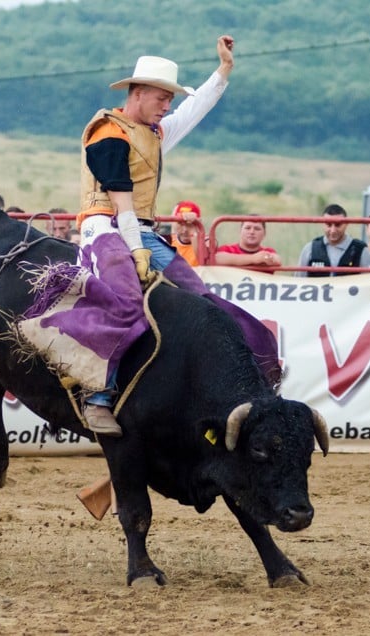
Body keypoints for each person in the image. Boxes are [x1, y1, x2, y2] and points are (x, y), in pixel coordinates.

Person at [24, 35, 279, 437]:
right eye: (162, 99)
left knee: (201, 301)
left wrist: (224, 71)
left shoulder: (154, 132)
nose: (168, 106)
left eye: (169, 100)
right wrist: (139, 250)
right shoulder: (107, 132)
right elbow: (121, 202)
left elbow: (194, 111)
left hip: (140, 232)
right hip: (103, 227)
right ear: (138, 93)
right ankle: (97, 395)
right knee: (125, 301)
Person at [297, 204, 370, 276]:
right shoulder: (310, 249)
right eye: (328, 225)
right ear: (322, 223)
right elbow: (299, 280)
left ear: (346, 224)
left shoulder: (361, 250)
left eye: (338, 225)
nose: (333, 230)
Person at [215, 217, 281, 268]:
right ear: (240, 231)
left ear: (264, 234)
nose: (252, 232)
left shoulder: (268, 251)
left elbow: (277, 260)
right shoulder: (227, 249)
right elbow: (217, 258)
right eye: (247, 228)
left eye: (257, 229)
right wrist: (254, 259)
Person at [169, 200, 202, 266]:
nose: (185, 230)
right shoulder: (168, 242)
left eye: (190, 225)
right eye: (181, 224)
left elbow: (204, 260)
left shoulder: (206, 242)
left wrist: (193, 233)